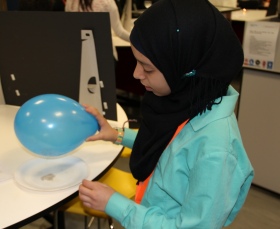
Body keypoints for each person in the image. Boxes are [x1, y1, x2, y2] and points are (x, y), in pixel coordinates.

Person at [79, 0, 254, 228]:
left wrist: (115, 204)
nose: (135, 74)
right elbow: (171, 147)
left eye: (148, 68)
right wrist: (117, 135)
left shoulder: (216, 151)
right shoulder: (191, 100)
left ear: (185, 68)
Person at [65, 0, 130, 61]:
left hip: (78, 54)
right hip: (104, 54)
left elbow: (69, 28)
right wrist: (137, 40)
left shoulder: (71, 2)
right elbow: (119, 31)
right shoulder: (107, 2)